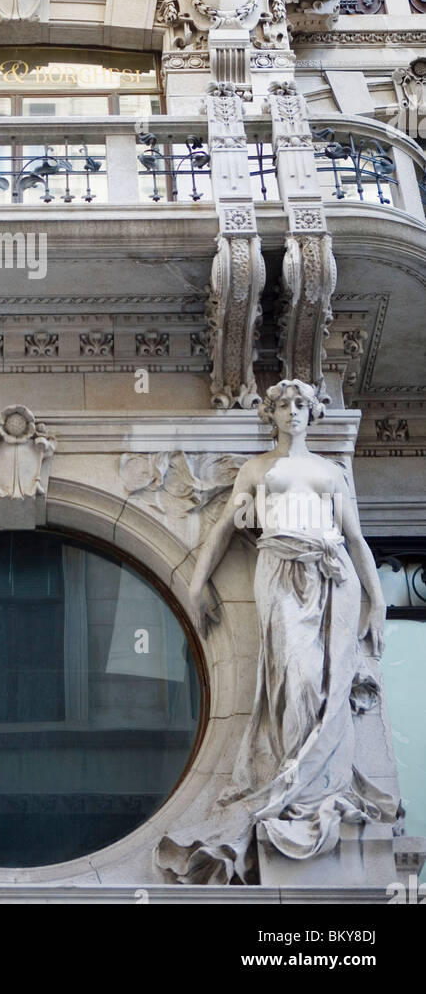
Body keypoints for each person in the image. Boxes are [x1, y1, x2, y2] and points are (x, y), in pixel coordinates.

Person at [155, 379, 396, 884]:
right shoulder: (257, 468)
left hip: (331, 575)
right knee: (296, 674)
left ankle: (315, 792)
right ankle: (295, 786)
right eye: (283, 405)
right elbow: (223, 528)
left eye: (301, 405)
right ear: (271, 414)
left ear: (313, 412)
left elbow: (356, 540)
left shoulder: (330, 472)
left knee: (327, 680)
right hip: (280, 567)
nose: (292, 412)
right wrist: (196, 585)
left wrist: (377, 601)